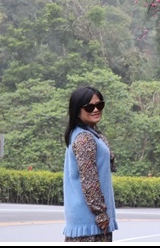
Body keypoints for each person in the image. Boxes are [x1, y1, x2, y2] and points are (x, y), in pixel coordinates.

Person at [63, 86, 118, 242]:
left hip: (87, 220)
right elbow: (89, 180)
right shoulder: (85, 138)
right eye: (89, 107)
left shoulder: (88, 134)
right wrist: (100, 213)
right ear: (77, 110)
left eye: (99, 105)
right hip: (91, 222)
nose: (96, 109)